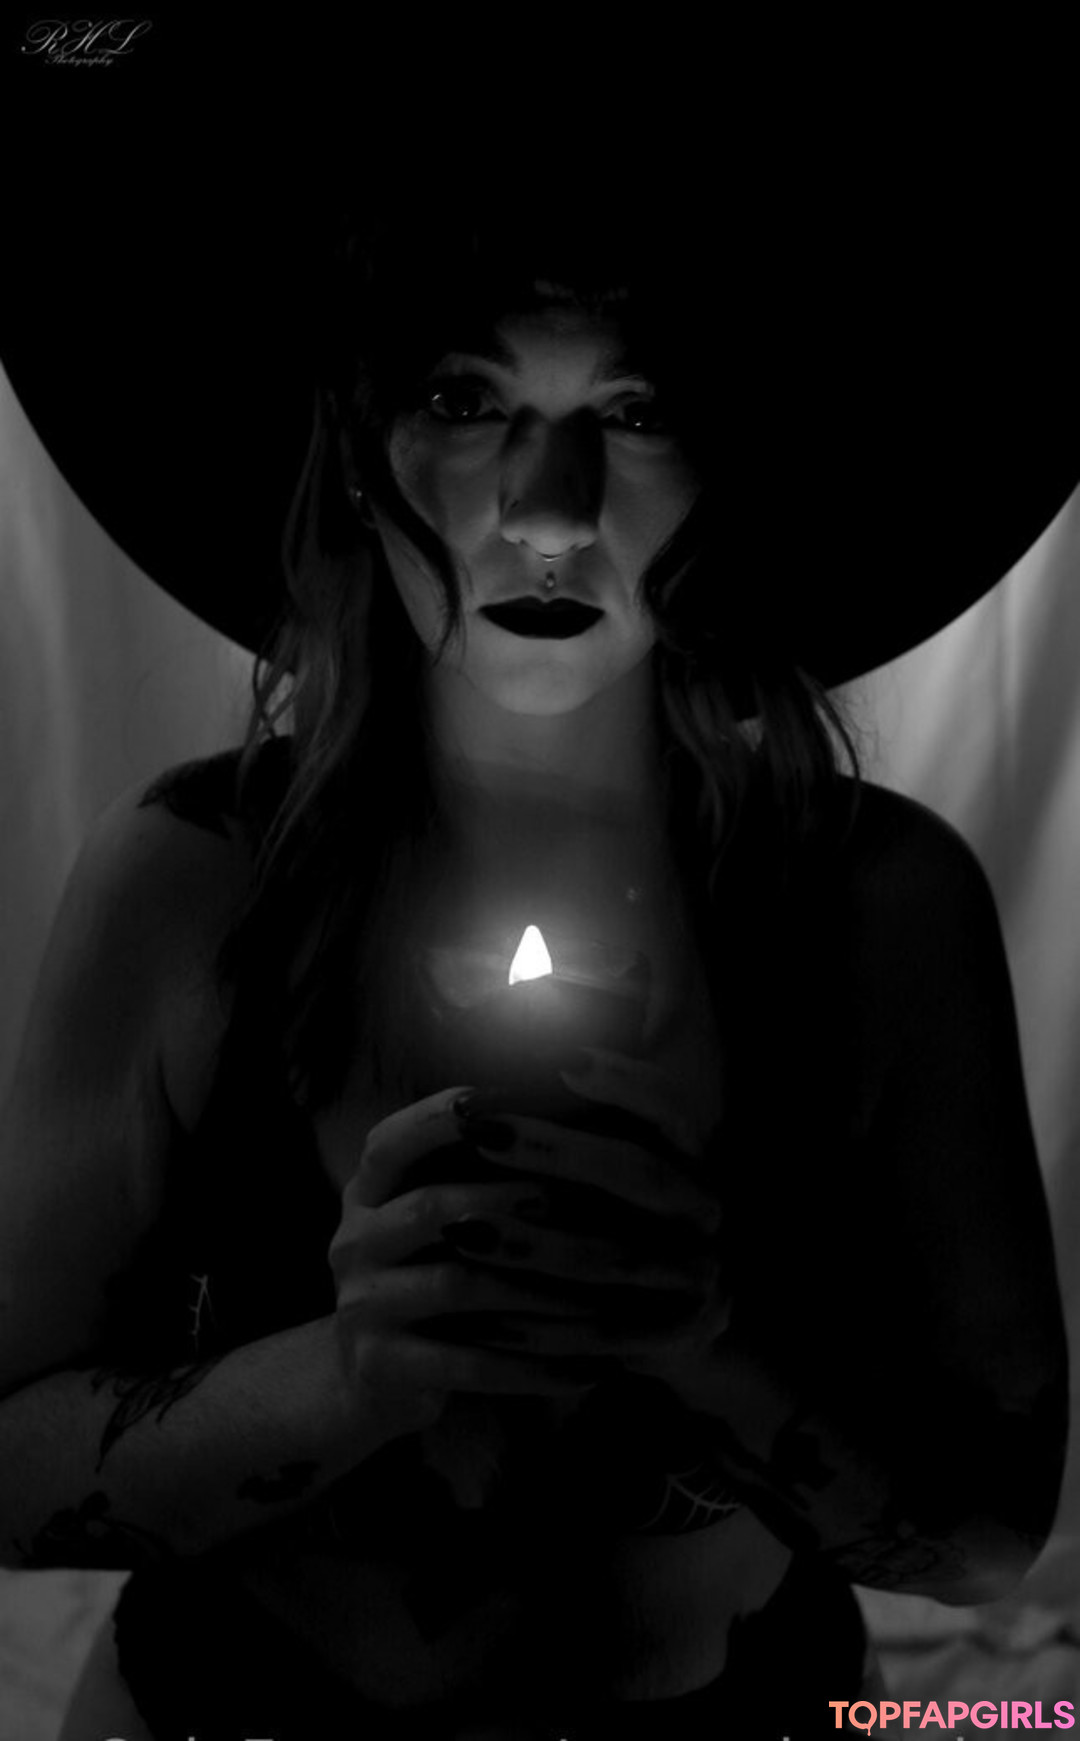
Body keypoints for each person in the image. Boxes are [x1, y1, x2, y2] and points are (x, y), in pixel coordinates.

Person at [0, 182, 1069, 1741]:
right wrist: (351, 1373)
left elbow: (989, 1537)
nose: (552, 512)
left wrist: (708, 1343)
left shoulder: (877, 911)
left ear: (726, 457)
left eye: (634, 410)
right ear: (353, 447)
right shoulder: (186, 887)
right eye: (462, 398)